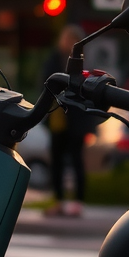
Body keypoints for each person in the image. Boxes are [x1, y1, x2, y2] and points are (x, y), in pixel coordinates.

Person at [42, 25, 89, 217]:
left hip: (76, 120)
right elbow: (45, 87)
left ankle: (77, 202)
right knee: (57, 162)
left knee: (77, 161)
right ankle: (59, 201)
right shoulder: (53, 60)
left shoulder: (82, 63)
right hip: (58, 119)